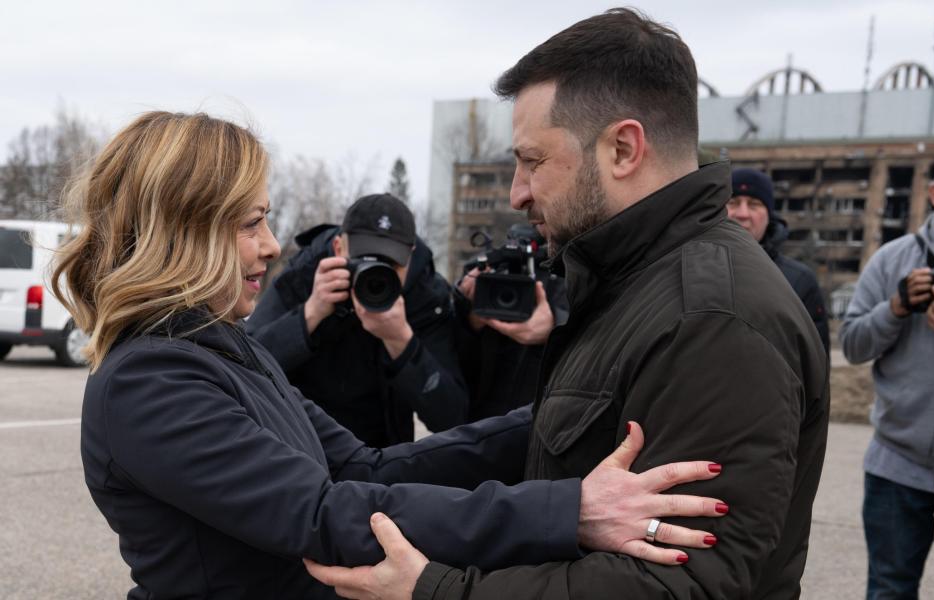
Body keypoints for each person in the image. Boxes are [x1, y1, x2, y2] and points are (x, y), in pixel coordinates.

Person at [54, 111, 731, 599]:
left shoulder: (221, 348)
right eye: (251, 223)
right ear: (183, 231)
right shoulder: (151, 379)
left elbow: (364, 464)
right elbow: (327, 515)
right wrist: (568, 510)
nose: (271, 246)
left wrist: (571, 412)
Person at [306, 8, 830, 600]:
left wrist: (437, 591)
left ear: (623, 149)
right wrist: (380, 474)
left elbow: (677, 585)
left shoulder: (712, 318)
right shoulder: (632, 279)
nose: (517, 191)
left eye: (533, 161)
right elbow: (562, 432)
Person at [247, 194, 467, 446]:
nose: (375, 275)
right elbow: (246, 364)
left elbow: (451, 418)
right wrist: (311, 313)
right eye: (364, 259)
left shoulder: (424, 297)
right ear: (340, 247)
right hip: (300, 443)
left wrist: (402, 342)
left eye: (391, 264)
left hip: (381, 454)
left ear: (410, 255)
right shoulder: (306, 274)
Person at [840, 145, 934, 599]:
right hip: (897, 466)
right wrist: (894, 308)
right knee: (889, 591)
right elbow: (851, 346)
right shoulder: (892, 260)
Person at [453, 225, 567, 420]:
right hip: (481, 424)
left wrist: (555, 329)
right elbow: (451, 367)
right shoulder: (493, 267)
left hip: (544, 422)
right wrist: (468, 317)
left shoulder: (576, 274)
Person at [727, 167, 830, 352]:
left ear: (769, 215)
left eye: (753, 204)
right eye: (733, 202)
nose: (742, 214)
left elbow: (815, 363)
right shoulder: (692, 272)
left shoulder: (799, 281)